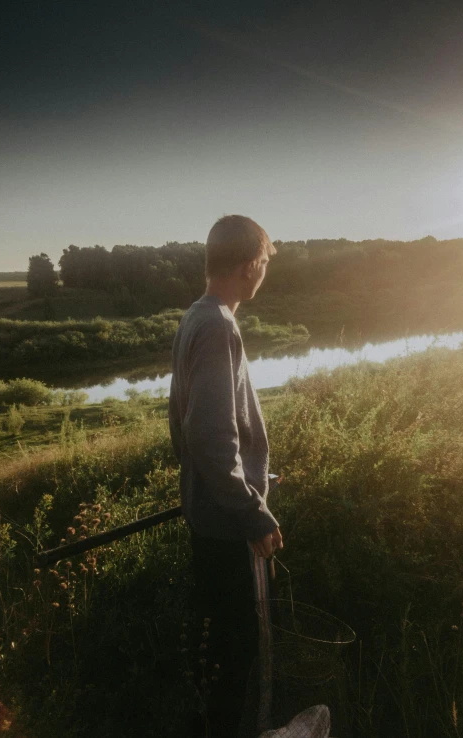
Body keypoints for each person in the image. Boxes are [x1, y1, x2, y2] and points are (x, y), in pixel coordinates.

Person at [168, 214, 283, 737]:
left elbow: (193, 426)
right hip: (226, 526)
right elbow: (211, 438)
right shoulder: (217, 325)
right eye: (263, 263)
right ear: (249, 265)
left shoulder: (197, 315)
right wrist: (253, 512)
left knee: (217, 651)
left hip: (209, 516)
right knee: (239, 659)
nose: (263, 273)